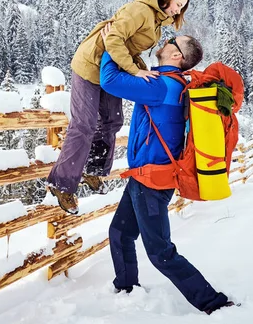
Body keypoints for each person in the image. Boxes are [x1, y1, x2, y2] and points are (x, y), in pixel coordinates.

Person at [100, 29, 235, 315]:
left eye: (171, 42)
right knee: (120, 233)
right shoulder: (167, 83)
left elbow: (109, 80)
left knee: (160, 252)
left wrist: (111, 44)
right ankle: (126, 288)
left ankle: (214, 304)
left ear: (176, 55)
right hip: (143, 176)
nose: (165, 41)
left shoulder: (163, 86)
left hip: (153, 180)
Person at [47, 0, 189, 214]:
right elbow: (113, 39)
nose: (178, 10)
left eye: (182, 8)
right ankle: (61, 182)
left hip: (112, 67)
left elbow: (129, 48)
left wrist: (141, 67)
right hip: (90, 64)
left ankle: (93, 169)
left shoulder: (156, 21)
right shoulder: (141, 10)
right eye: (178, 4)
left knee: (112, 121)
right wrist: (134, 70)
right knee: (84, 124)